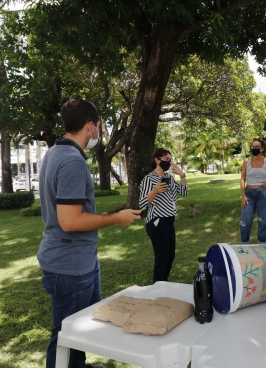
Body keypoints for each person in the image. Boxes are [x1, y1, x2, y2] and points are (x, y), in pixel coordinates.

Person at [37, 98, 141, 368]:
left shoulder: (54, 153)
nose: (98, 133)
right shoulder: (72, 161)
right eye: (98, 127)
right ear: (90, 126)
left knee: (79, 329)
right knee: (66, 334)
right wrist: (115, 218)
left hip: (80, 260)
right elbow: (69, 221)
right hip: (69, 266)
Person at [138, 148, 188, 283]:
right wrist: (154, 191)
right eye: (166, 159)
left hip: (169, 221)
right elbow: (142, 204)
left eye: (170, 160)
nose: (169, 162)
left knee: (170, 255)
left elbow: (184, 192)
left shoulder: (169, 178)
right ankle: (158, 288)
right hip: (156, 221)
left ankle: (163, 284)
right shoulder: (149, 179)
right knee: (162, 256)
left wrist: (182, 175)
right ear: (157, 160)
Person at [239, 138, 266, 244]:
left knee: (263, 221)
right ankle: (245, 244)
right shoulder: (246, 161)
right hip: (249, 194)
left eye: (257, 147)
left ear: (262, 149)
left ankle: (262, 244)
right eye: (253, 146)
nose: (255, 148)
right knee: (244, 222)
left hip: (262, 194)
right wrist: (243, 195)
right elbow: (243, 178)